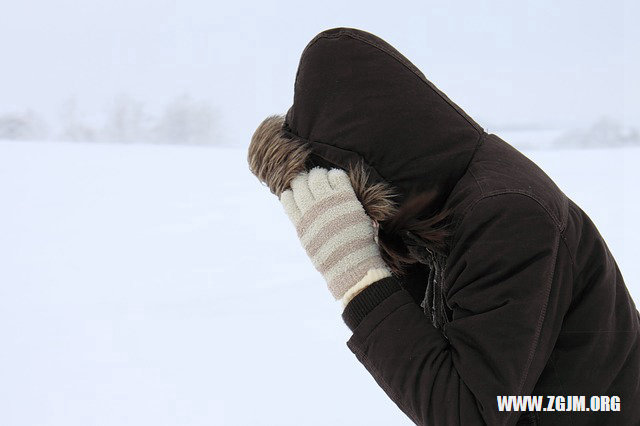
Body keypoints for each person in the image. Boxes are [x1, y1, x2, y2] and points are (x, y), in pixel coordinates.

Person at [247, 27, 640, 426]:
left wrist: (359, 280)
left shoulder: (505, 215)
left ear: (363, 173)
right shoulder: (437, 201)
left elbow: (469, 414)